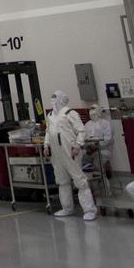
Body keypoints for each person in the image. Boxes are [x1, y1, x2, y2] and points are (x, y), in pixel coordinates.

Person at [45, 91, 97, 221]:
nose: (53, 101)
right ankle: (67, 208)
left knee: (79, 180)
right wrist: (46, 145)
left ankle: (90, 210)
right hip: (56, 152)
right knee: (62, 180)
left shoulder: (70, 113)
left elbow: (81, 130)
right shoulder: (50, 115)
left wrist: (78, 145)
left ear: (62, 99)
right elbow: (48, 131)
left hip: (70, 150)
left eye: (55, 98)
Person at [79, 105, 113, 175]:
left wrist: (97, 146)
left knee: (97, 161)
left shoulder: (105, 123)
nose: (92, 115)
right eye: (91, 114)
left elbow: (108, 138)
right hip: (89, 149)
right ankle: (86, 178)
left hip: (103, 150)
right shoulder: (87, 124)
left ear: (98, 113)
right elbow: (84, 137)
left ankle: (102, 179)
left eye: (94, 114)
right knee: (80, 156)